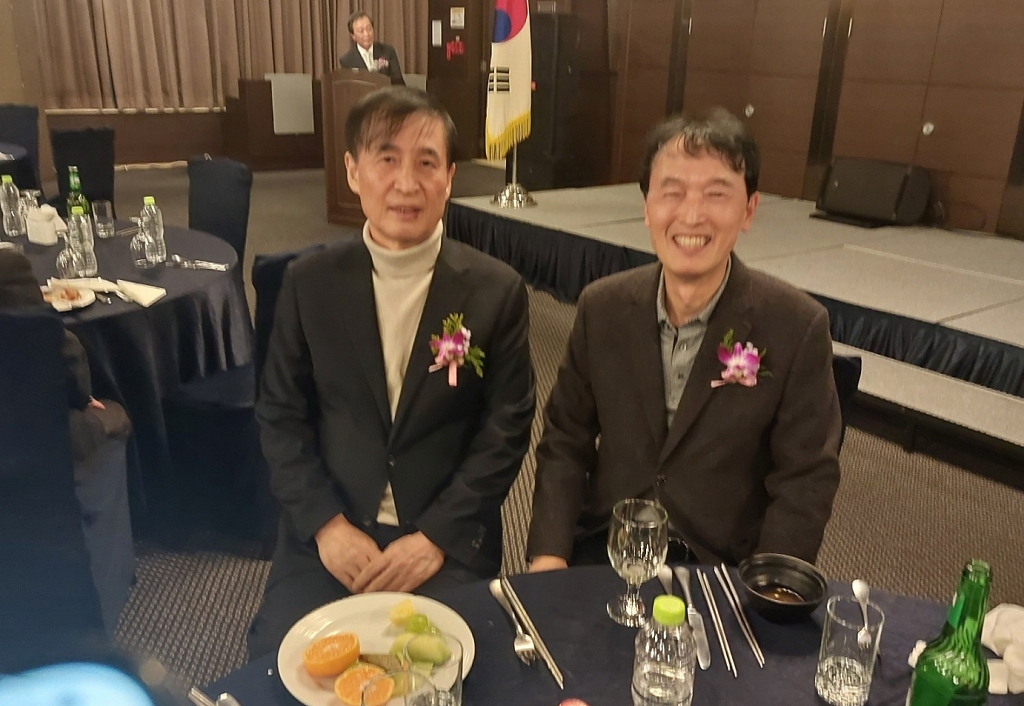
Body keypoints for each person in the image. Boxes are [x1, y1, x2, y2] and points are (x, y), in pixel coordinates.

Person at [248, 87, 535, 658]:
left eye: (426, 163)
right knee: (281, 667)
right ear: (353, 172)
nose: (407, 183)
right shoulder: (309, 283)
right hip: (332, 529)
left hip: (445, 535)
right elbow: (280, 416)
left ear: (449, 178)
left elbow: (506, 429)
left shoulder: (495, 290)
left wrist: (435, 537)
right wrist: (327, 526)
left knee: (454, 672)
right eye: (387, 159)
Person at [526, 109, 842, 571]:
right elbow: (565, 440)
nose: (692, 215)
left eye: (716, 194)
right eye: (672, 192)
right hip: (604, 550)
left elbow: (805, 481)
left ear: (749, 210)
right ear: (646, 206)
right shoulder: (602, 307)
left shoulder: (796, 325)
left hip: (723, 569)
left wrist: (768, 589)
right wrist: (549, 556)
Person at [0, 244, 134, 633]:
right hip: (42, 450)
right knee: (115, 415)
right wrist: (82, 398)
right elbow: (73, 376)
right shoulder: (10, 269)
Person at [339, 11, 405, 86]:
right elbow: (350, 89)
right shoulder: (347, 61)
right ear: (353, 36)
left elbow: (399, 84)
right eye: (361, 31)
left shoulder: (388, 51)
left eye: (369, 29)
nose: (366, 34)